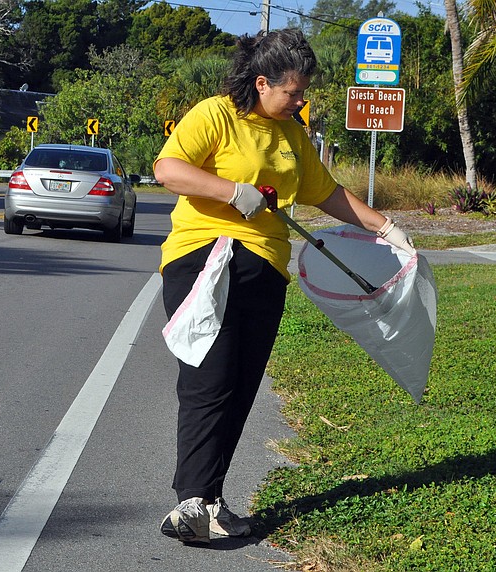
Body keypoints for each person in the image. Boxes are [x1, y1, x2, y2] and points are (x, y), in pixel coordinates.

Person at [154, 28, 415, 546]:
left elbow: (327, 192)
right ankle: (190, 502)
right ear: (261, 82)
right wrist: (232, 191)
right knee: (211, 379)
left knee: (243, 383)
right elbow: (168, 168)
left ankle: (208, 499)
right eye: (293, 92)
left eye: (302, 93)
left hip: (265, 267)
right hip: (207, 257)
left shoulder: (292, 134)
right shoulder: (216, 114)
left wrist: (386, 228)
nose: (301, 100)